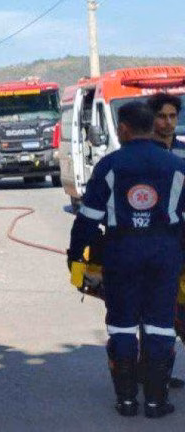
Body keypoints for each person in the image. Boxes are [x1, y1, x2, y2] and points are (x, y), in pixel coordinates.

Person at [67, 101, 185, 418]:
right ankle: (157, 402)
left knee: (122, 327)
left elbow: (88, 220)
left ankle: (127, 401)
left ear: (123, 129)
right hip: (165, 256)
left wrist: (75, 255)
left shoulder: (109, 165)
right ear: (152, 127)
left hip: (121, 256)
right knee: (161, 327)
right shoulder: (177, 166)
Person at [147, 92, 185, 389]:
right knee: (156, 315)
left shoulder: (184, 152)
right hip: (151, 244)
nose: (168, 122)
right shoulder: (141, 153)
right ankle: (153, 374)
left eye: (173, 116)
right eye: (162, 116)